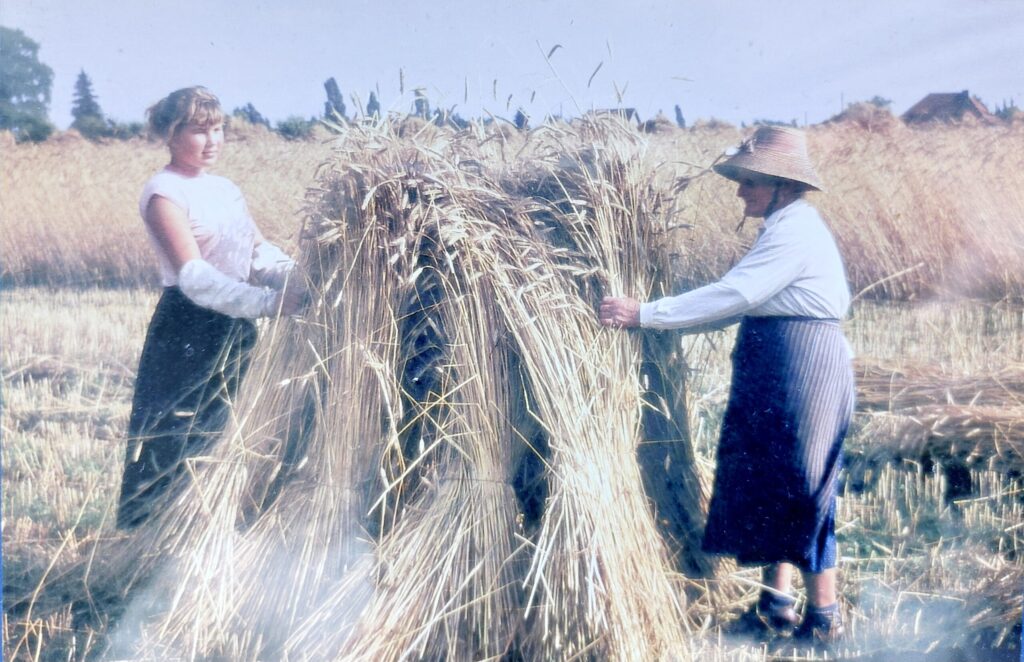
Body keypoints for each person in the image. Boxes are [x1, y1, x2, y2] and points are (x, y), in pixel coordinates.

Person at [599, 125, 853, 646]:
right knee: (771, 481)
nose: (740, 191)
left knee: (805, 486)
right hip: (775, 362)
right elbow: (739, 302)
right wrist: (659, 319)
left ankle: (825, 619)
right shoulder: (782, 225)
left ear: (782, 184)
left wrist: (645, 313)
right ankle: (777, 605)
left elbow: (735, 294)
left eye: (750, 181)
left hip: (802, 366)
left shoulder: (797, 231)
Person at [117, 86, 304, 530]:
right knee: (178, 439)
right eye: (200, 131)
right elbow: (195, 278)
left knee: (231, 433)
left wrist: (297, 278)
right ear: (170, 133)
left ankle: (219, 533)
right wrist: (272, 303)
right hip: (188, 327)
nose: (213, 140)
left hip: (236, 327)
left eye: (218, 129)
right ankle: (154, 543)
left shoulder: (225, 189)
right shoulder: (163, 192)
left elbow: (257, 253)